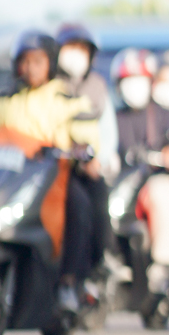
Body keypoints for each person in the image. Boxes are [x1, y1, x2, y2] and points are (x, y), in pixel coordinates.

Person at [0, 30, 100, 313]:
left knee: (79, 207)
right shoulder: (4, 101)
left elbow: (86, 136)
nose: (29, 68)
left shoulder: (67, 99)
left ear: (51, 63)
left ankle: (68, 282)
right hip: (13, 180)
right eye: (24, 61)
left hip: (55, 179)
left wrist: (79, 148)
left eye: (37, 61)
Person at [113, 49, 169, 289]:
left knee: (164, 193)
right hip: (121, 184)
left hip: (152, 180)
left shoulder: (164, 112)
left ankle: (162, 266)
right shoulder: (116, 116)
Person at [55, 23, 120, 277]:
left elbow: (108, 132)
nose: (76, 55)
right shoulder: (52, 86)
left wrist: (98, 159)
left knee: (95, 204)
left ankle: (99, 262)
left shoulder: (97, 87)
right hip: (56, 166)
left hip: (88, 167)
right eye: (71, 48)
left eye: (82, 49)